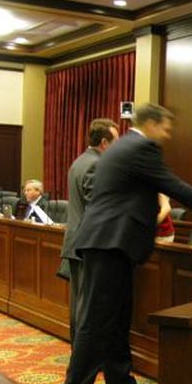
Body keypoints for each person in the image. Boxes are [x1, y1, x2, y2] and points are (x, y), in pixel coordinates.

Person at [56, 103, 192, 384]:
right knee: (97, 320)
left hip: (115, 244)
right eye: (165, 127)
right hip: (108, 243)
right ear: (150, 124)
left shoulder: (125, 146)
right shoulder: (140, 146)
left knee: (117, 317)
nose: (167, 134)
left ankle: (120, 381)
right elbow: (170, 183)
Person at [60, 118, 119, 341]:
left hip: (77, 241)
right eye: (116, 141)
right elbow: (98, 208)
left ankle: (79, 353)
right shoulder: (96, 164)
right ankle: (83, 357)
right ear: (104, 142)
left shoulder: (79, 161)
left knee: (79, 303)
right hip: (89, 244)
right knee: (87, 306)